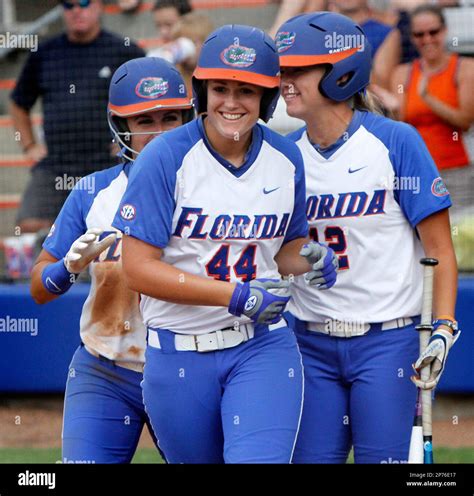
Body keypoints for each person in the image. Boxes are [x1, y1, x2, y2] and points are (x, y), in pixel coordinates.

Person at [112, 24, 338, 464]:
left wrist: (312, 256)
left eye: (247, 91)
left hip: (262, 345)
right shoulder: (165, 157)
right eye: (220, 88)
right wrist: (233, 295)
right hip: (179, 352)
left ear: (267, 98)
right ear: (202, 92)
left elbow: (285, 250)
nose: (232, 103)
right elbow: (137, 269)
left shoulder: (286, 156)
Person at [276, 11, 459, 463]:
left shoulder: (396, 142)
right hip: (310, 342)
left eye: (299, 69)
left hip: (387, 343)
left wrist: (443, 328)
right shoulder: (282, 155)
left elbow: (439, 250)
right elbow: (276, 255)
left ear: (341, 72)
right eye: (283, 70)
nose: (285, 80)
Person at [30, 57, 194, 463]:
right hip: (105, 367)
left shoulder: (213, 189)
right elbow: (38, 287)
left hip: (185, 366)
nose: (158, 132)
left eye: (170, 117)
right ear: (121, 126)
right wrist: (66, 269)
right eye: (143, 121)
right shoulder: (92, 192)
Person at [9, 0, 145, 233]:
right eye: (69, 5)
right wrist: (29, 145)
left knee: (120, 225)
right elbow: (19, 102)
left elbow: (147, 101)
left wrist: (132, 143)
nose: (77, 10)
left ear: (99, 6)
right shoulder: (44, 53)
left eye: (84, 3)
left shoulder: (124, 51)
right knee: (28, 224)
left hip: (109, 161)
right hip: (56, 164)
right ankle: (61, 250)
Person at [390, 5, 474, 214]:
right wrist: (390, 108)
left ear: (445, 31)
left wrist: (427, 98)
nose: (427, 39)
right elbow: (400, 125)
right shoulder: (402, 73)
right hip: (415, 172)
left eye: (433, 32)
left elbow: (465, 121)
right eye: (419, 34)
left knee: (461, 235)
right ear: (412, 37)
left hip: (456, 170)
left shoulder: (464, 67)